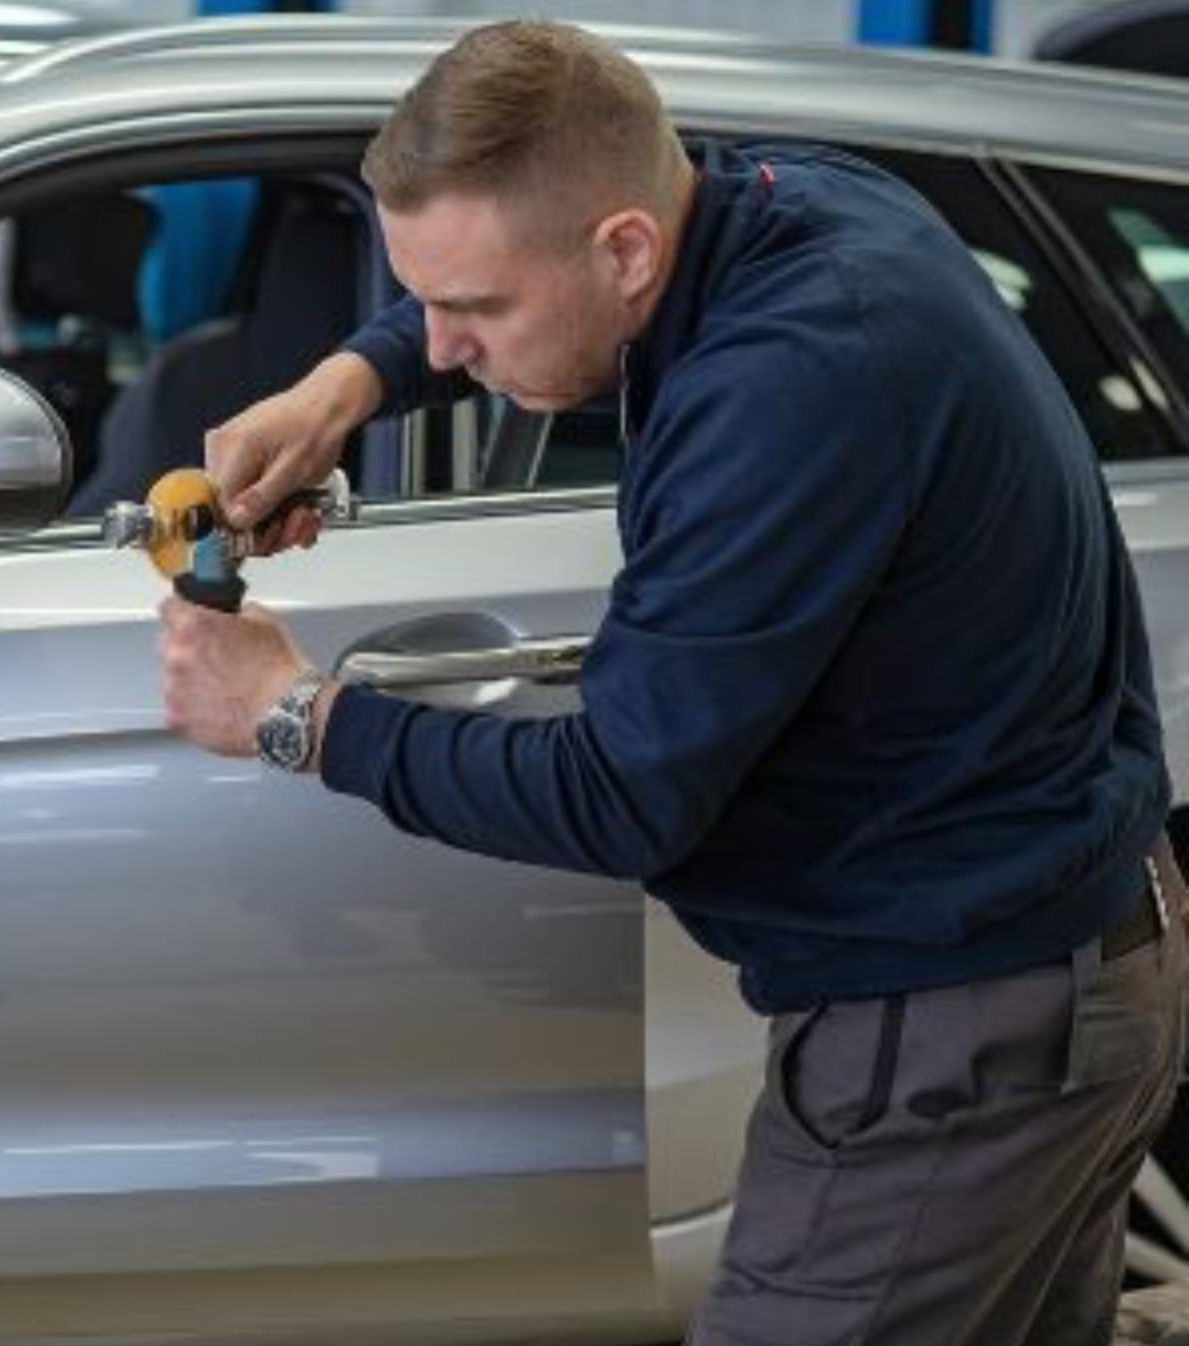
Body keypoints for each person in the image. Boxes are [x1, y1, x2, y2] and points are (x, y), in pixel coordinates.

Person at [156, 18, 1185, 1345]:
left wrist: (297, 713)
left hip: (955, 1036)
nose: (451, 343)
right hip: (1063, 965)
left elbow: (624, 794)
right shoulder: (786, 202)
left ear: (626, 250)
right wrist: (355, 379)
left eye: (472, 310)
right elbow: (494, 279)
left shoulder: (791, 390)